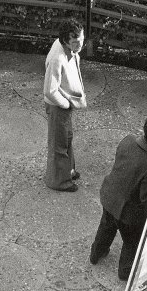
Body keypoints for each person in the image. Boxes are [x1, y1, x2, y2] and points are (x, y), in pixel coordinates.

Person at [90, 112, 147, 280]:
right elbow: (144, 198)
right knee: (131, 240)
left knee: (106, 227)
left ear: (144, 128)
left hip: (110, 195)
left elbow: (133, 160)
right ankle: (125, 272)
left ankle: (96, 254)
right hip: (127, 211)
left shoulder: (127, 140)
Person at [43, 18, 87, 192]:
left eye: (82, 40)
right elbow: (49, 90)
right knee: (59, 144)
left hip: (65, 103)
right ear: (65, 42)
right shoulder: (57, 58)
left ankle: (67, 171)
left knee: (67, 138)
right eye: (76, 42)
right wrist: (65, 104)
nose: (80, 45)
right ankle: (59, 181)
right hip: (59, 105)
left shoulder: (67, 48)